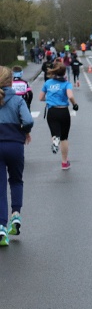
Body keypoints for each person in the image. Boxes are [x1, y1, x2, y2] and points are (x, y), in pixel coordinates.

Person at [0, 66, 34, 247]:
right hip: (15, 145)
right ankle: (16, 216)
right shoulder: (18, 100)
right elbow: (28, 120)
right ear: (11, 82)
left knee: (0, 187)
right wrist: (24, 131)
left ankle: (1, 228)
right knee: (16, 181)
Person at [38, 62, 78, 171]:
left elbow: (40, 98)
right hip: (63, 111)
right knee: (64, 138)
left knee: (55, 133)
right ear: (64, 73)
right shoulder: (66, 84)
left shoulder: (48, 83)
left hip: (52, 112)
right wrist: (75, 104)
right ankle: (64, 163)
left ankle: (55, 139)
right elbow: (70, 96)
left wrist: (50, 99)